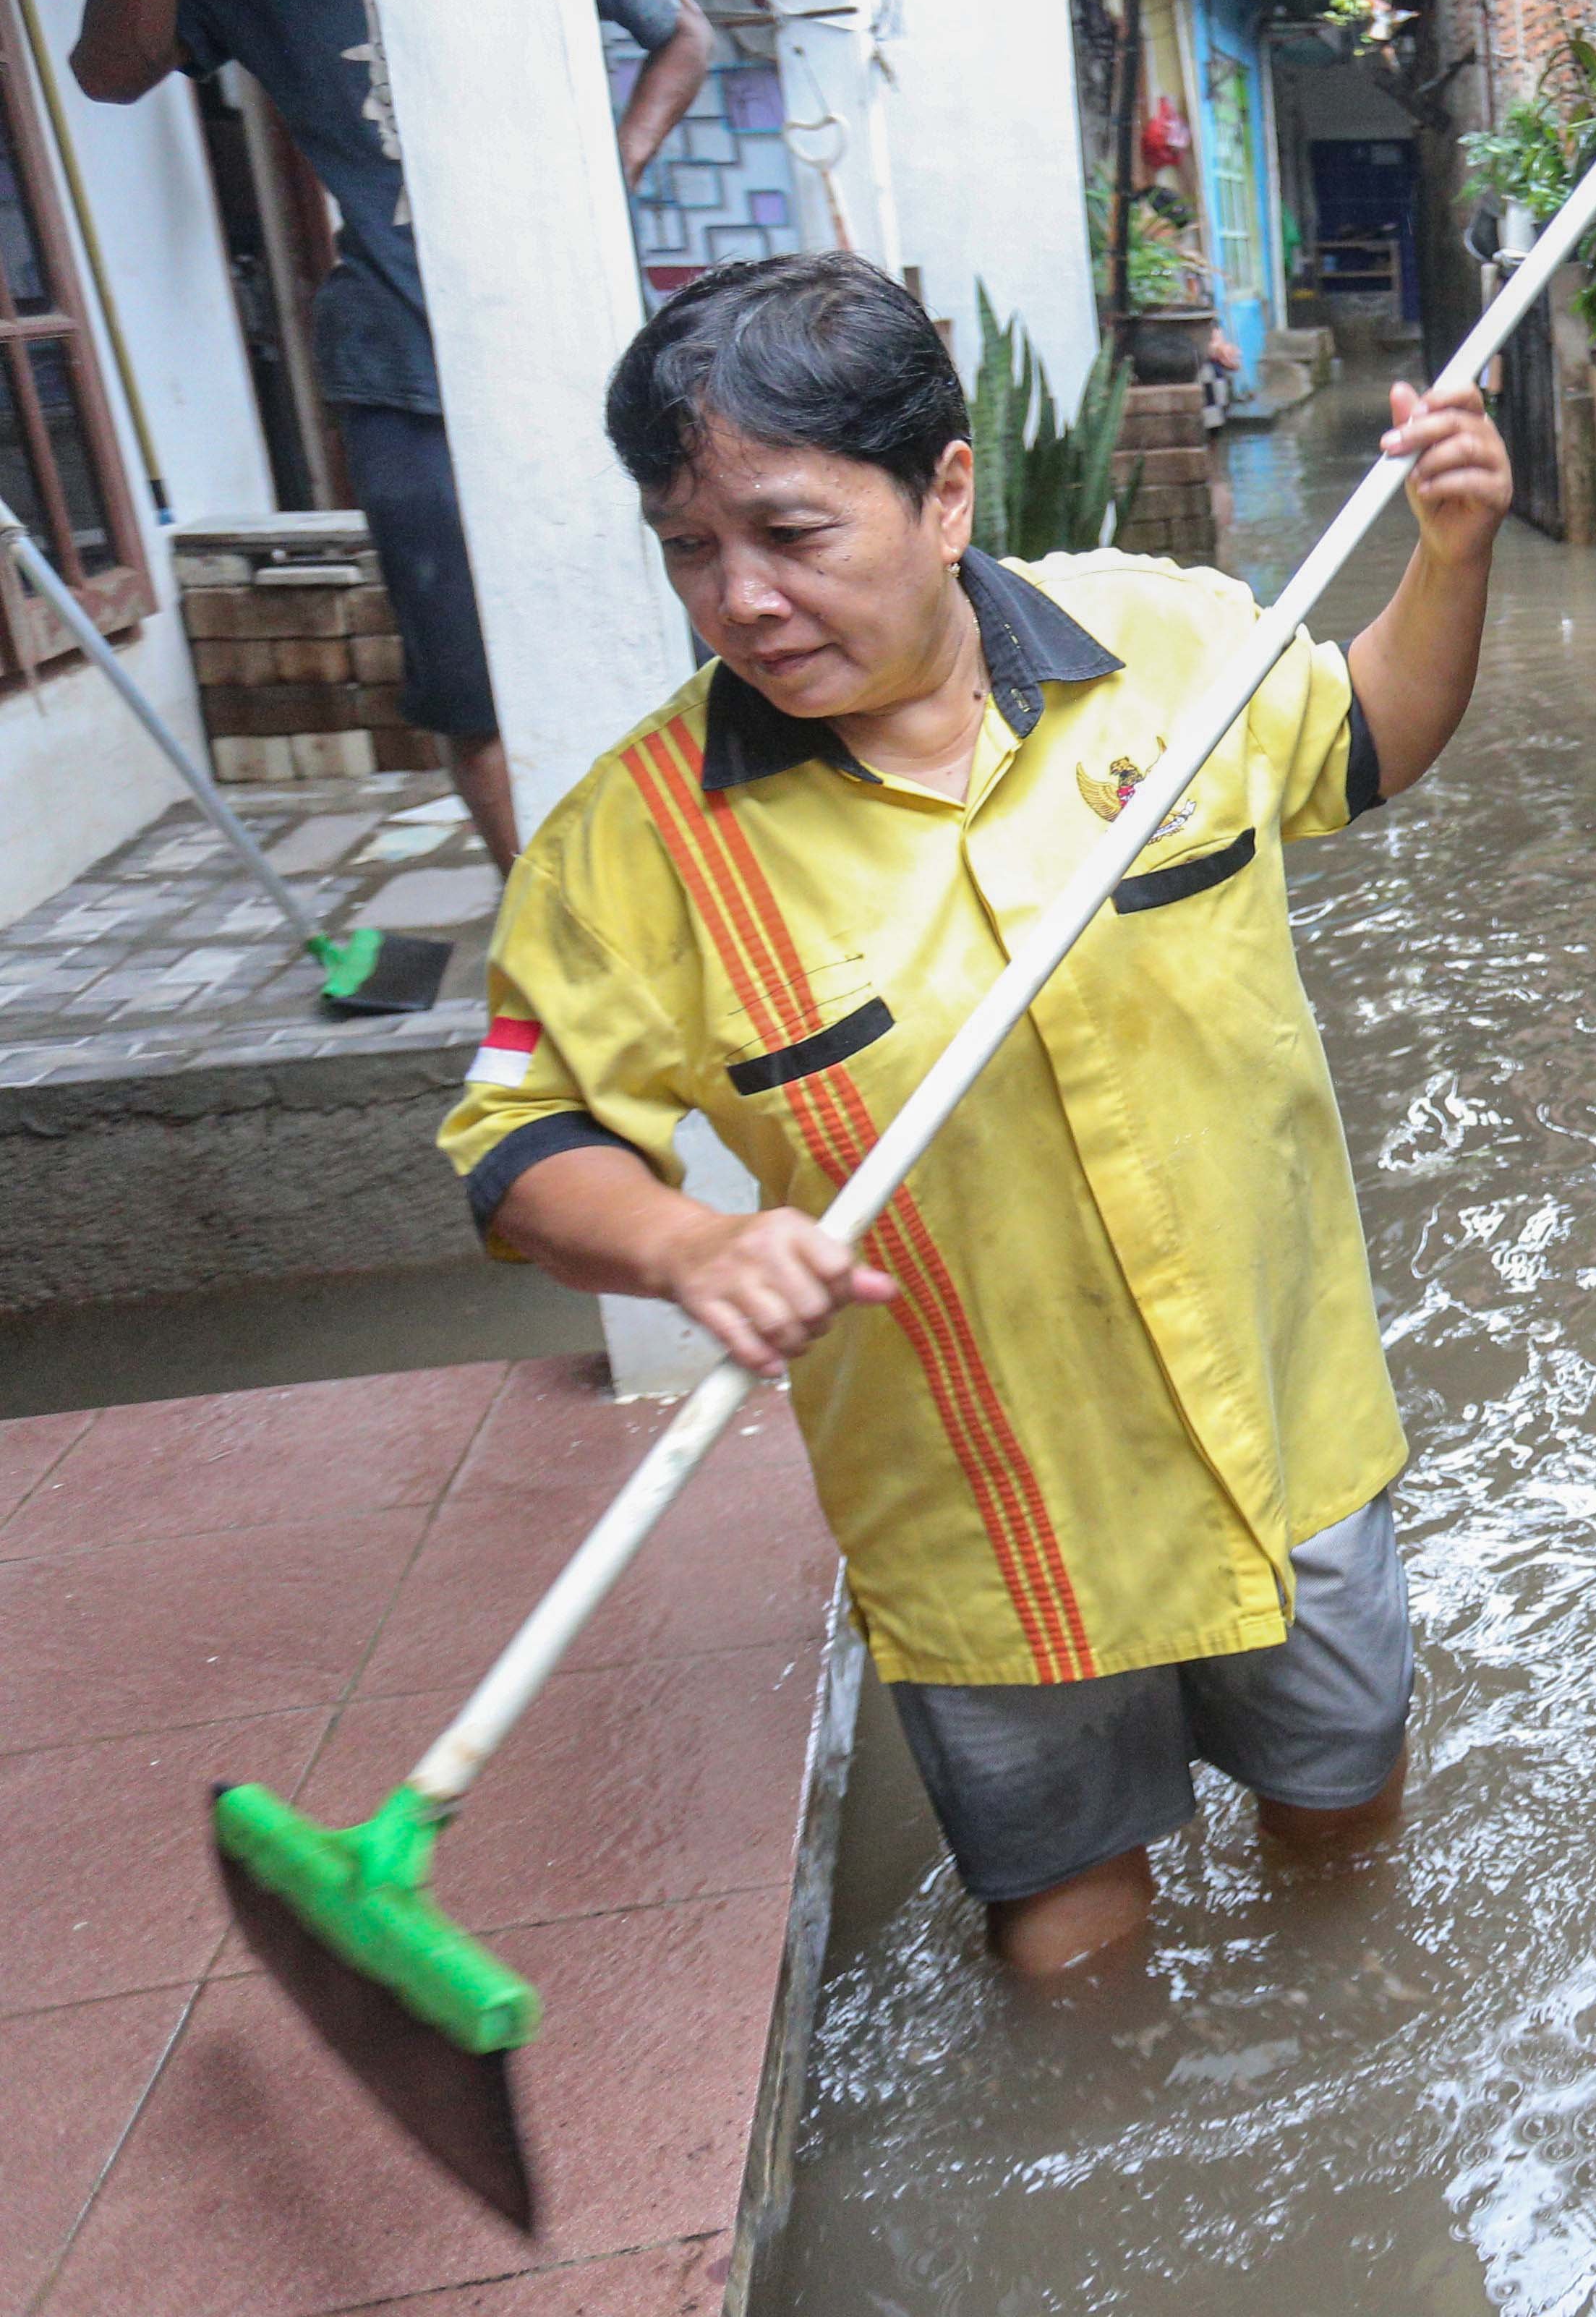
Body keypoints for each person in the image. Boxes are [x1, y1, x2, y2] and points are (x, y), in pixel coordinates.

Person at [439, 253, 1512, 1974]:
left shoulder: (1164, 649)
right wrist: (690, 1242)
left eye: (792, 537)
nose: (742, 601)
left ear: (946, 495)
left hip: (1281, 1425)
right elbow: (517, 1144)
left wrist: (1451, 556)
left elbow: (1367, 738)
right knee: (1068, 1940)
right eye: (691, 552)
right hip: (994, 1510)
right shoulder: (639, 842)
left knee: (1342, 1831)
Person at [71, 0, 717, 870]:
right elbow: (104, 70)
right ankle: (549, 926)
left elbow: (681, 38)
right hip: (396, 358)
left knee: (675, 617)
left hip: (580, 331)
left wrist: (609, 176)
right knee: (463, 669)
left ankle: (708, 887)